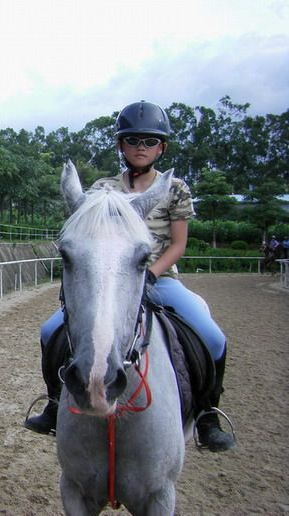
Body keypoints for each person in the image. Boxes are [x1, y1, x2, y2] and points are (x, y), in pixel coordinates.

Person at [25, 101, 235, 452]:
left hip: (160, 279)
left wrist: (151, 274)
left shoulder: (175, 188)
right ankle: (55, 402)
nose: (141, 147)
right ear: (121, 145)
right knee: (50, 331)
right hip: (108, 281)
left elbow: (178, 244)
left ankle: (207, 416)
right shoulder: (103, 188)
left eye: (150, 142)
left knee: (213, 338)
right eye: (133, 140)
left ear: (161, 148)